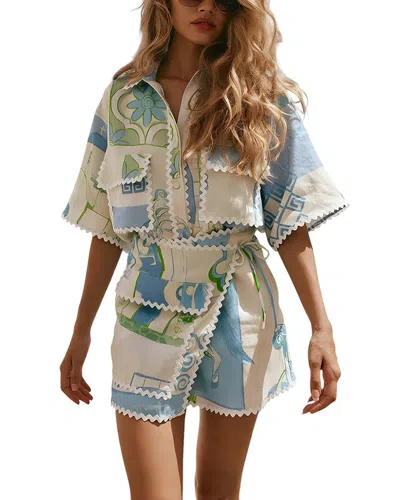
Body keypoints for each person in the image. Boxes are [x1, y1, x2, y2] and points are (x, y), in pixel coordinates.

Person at [59, 0, 349, 498]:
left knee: (218, 491)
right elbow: (105, 228)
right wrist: (80, 330)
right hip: (144, 316)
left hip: (239, 315)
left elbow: (292, 221)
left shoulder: (260, 99)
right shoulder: (122, 101)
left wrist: (322, 328)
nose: (207, 6)